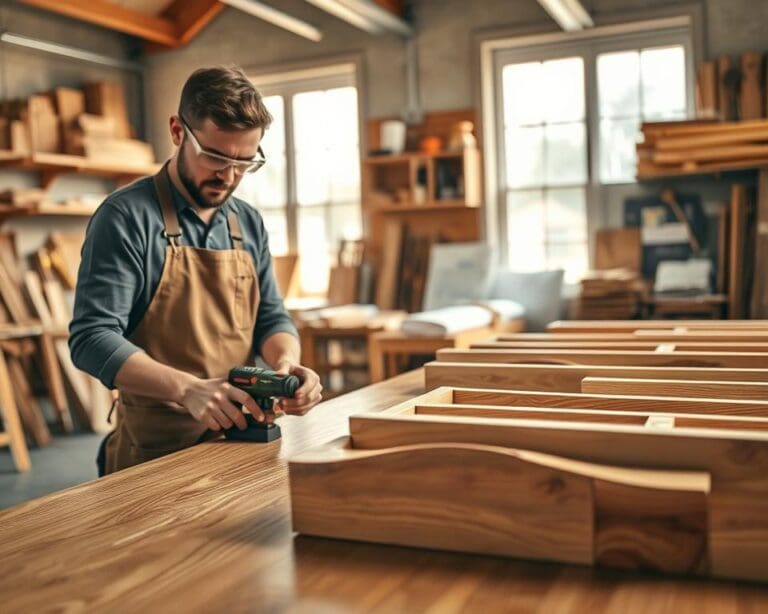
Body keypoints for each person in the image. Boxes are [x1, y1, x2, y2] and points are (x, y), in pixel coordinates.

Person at [69, 65, 322, 475]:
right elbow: (91, 339)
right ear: (177, 131)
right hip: (154, 453)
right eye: (216, 157)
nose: (229, 176)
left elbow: (271, 316)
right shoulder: (126, 217)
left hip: (238, 442)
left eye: (245, 162)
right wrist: (187, 389)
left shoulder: (248, 222)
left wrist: (286, 364)